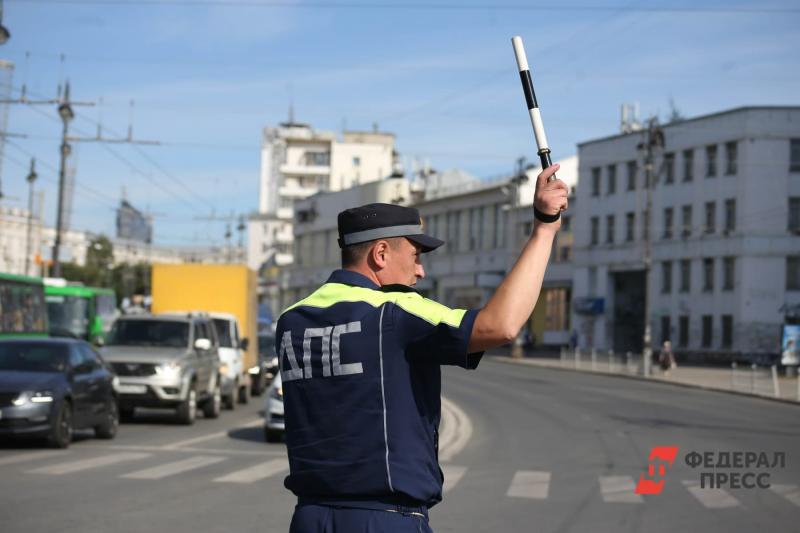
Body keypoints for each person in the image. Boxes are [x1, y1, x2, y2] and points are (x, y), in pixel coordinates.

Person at [277, 163, 567, 533]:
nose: (420, 272)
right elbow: (501, 325)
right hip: (383, 519)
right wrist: (544, 227)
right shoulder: (394, 309)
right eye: (415, 256)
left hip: (310, 517)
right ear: (381, 254)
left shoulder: (293, 318)